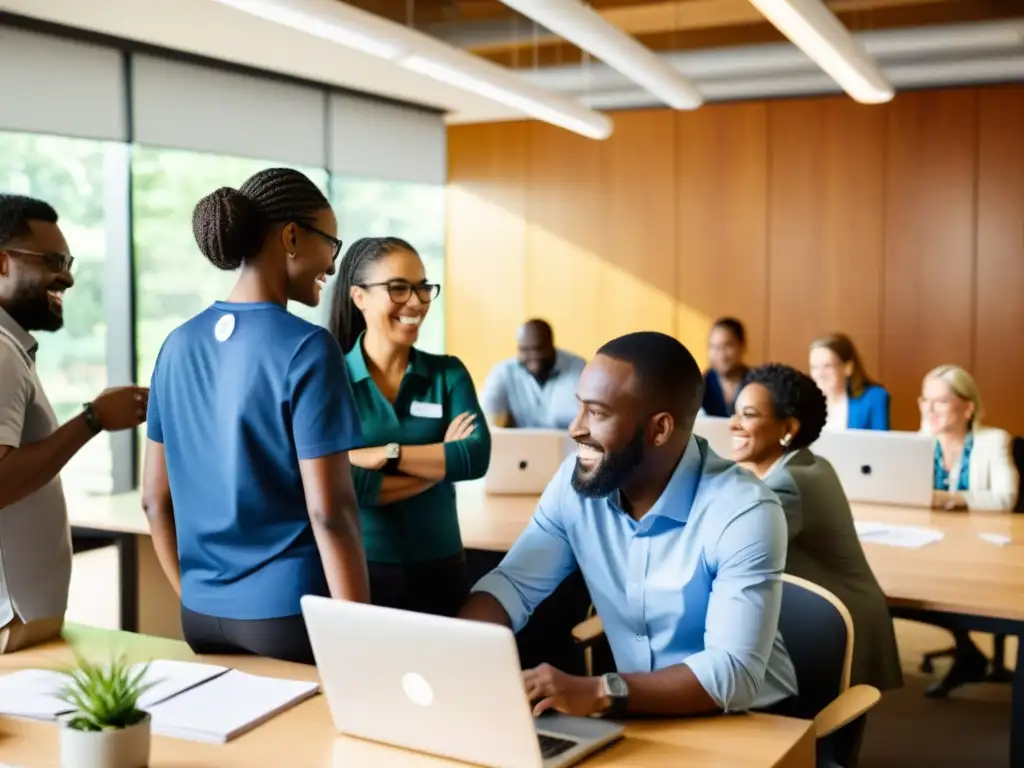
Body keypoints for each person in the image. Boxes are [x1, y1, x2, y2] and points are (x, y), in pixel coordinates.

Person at [460, 331, 798, 719]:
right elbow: (514, 585)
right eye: (579, 407)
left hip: (752, 719)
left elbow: (732, 672)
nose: (575, 428)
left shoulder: (744, 510)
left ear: (660, 429)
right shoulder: (575, 487)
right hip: (637, 710)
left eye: (597, 413)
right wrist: (458, 649)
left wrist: (601, 691)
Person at [141, 169, 369, 665]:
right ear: (291, 236)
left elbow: (154, 500)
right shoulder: (308, 348)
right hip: (289, 612)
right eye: (330, 242)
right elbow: (331, 512)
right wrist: (360, 633)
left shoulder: (175, 345)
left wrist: (194, 596)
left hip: (200, 615)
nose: (333, 263)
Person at [0, 194, 148, 654]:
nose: (67, 275)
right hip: (11, 624)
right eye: (53, 260)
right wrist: (93, 419)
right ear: (2, 263)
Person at [329, 237, 490, 618]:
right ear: (359, 297)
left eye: (422, 287)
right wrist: (439, 465)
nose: (416, 301)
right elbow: (351, 485)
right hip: (361, 569)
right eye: (399, 287)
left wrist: (384, 454)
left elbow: (474, 457)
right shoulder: (330, 380)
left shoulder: (447, 373)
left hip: (442, 568)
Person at [729, 363, 903, 692]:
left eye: (748, 415)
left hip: (839, 627)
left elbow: (737, 550)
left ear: (788, 428)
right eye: (736, 413)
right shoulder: (807, 463)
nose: (733, 424)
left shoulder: (789, 484)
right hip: (844, 614)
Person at [916, 364, 1019, 697]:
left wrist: (952, 499)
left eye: (941, 401)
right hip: (929, 544)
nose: (930, 410)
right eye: (925, 401)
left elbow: (1005, 498)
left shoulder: (994, 442)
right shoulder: (918, 444)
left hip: (983, 549)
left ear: (968, 406)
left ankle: (968, 654)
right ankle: (967, 652)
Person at [480, 319, 585, 429]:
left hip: (569, 444)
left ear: (551, 345)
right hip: (521, 444)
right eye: (525, 350)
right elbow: (488, 420)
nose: (533, 357)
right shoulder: (503, 372)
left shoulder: (578, 369)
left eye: (538, 349)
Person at [808, 333, 889, 431]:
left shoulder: (874, 397)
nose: (820, 374)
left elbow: (880, 443)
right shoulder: (804, 401)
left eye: (827, 366)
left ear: (848, 367)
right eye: (814, 367)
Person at [701, 317, 748, 418]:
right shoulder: (700, 384)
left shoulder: (757, 383)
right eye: (714, 347)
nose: (722, 356)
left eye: (727, 346)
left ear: (742, 345)